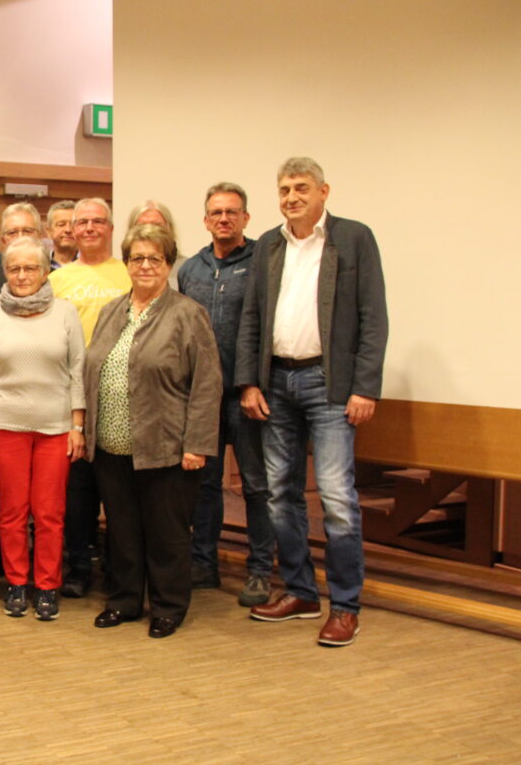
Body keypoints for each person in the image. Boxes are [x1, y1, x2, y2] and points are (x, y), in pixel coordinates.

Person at [237, 157, 388, 647]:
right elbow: (252, 318)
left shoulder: (354, 239)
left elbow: (373, 317)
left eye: (301, 187)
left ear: (324, 191)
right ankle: (301, 592)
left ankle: (345, 607)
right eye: (284, 189)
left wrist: (364, 387)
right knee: (280, 494)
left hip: (330, 384)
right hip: (276, 382)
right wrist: (249, 383)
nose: (291, 197)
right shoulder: (269, 245)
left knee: (337, 497)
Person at [84, 223, 221, 638]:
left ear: (168, 264)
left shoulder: (187, 314)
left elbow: (207, 383)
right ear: (126, 263)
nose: (145, 266)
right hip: (111, 445)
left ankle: (168, 605)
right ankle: (124, 600)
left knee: (166, 533)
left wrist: (197, 444)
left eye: (154, 259)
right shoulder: (112, 310)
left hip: (166, 445)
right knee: (121, 529)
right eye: (137, 258)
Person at [0, 238, 85, 621]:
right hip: (6, 426)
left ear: (45, 271)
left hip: (56, 428)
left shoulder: (66, 312)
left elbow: (77, 371)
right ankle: (17, 583)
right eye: (14, 268)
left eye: (30, 268)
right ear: (5, 272)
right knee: (12, 512)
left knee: (50, 513)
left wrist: (78, 425)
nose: (22, 275)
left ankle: (48, 586)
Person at [176, 183, 276, 607]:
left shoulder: (262, 263)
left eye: (232, 212)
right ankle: (204, 563)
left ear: (245, 218)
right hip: (203, 397)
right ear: (205, 220)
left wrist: (254, 381)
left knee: (256, 485)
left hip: (246, 392)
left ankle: (260, 570)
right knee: (205, 483)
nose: (224, 219)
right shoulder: (191, 270)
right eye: (216, 212)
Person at [48, 197, 131, 598]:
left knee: (118, 493)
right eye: (82, 222)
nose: (89, 228)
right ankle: (78, 567)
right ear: (72, 230)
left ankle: (118, 569)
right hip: (72, 397)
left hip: (120, 396)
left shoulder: (128, 272)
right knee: (77, 493)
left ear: (111, 228)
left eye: (98, 221)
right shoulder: (57, 280)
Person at [0, 202, 47, 298]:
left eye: (27, 231)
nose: (20, 237)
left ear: (39, 237)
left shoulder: (55, 278)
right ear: (3, 241)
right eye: (12, 233)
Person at [46, 200, 77, 267]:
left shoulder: (91, 266)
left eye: (73, 224)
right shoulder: (40, 265)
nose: (68, 230)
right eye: (61, 224)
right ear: (49, 232)